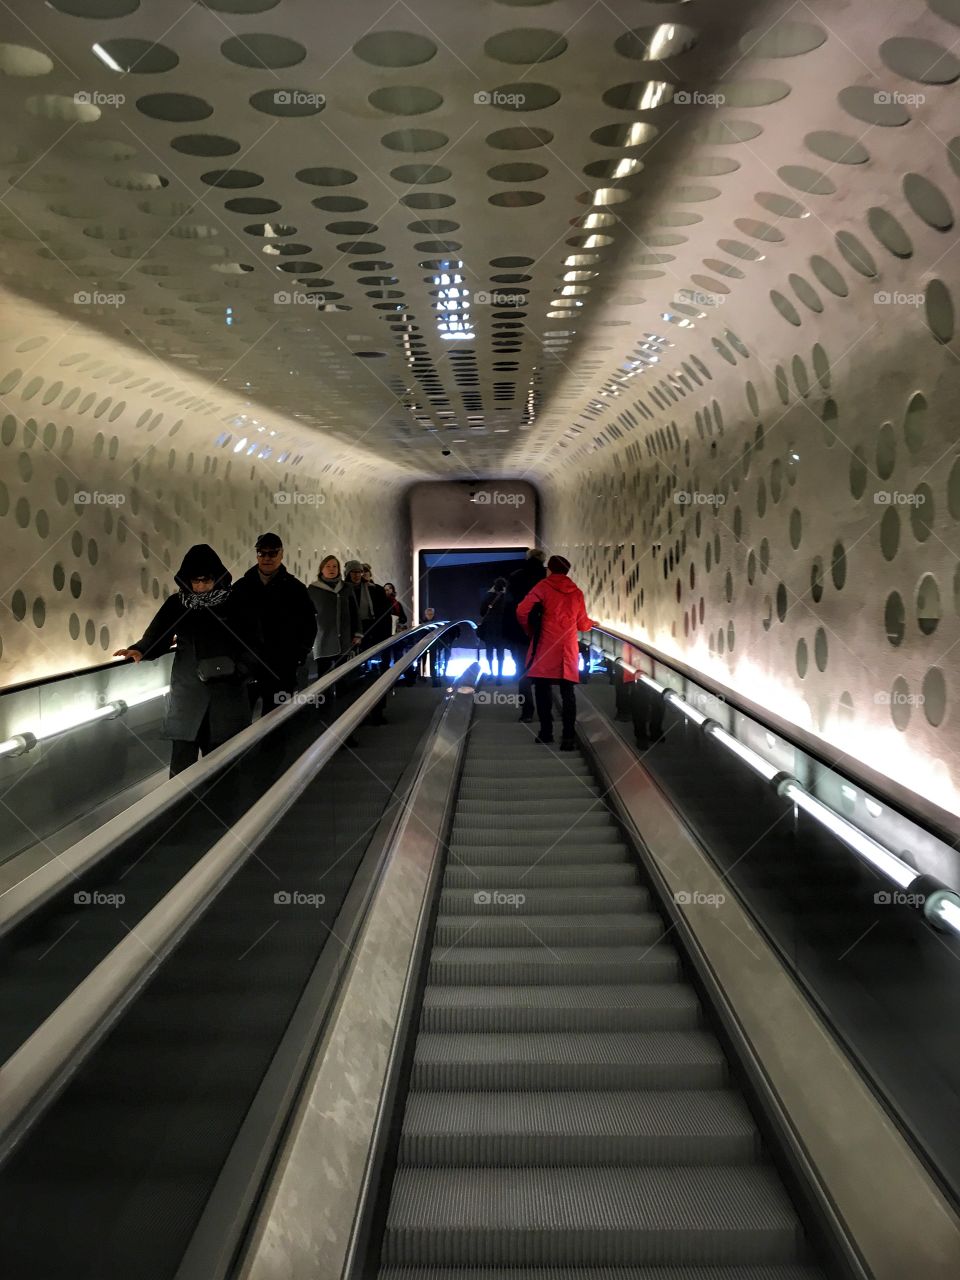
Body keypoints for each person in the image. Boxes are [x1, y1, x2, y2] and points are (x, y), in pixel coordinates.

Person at [114, 544, 259, 776]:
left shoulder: (236, 602)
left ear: (217, 578)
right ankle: (180, 811)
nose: (200, 587)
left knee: (225, 767)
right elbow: (158, 634)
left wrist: (241, 671)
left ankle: (225, 810)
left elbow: (253, 643)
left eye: (206, 580)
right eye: (195, 581)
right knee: (182, 766)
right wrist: (140, 649)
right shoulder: (177, 604)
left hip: (226, 693)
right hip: (188, 692)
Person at [516, 554, 596, 751]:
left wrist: (530, 630)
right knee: (568, 693)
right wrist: (593, 624)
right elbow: (583, 624)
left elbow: (521, 610)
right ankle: (568, 737)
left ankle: (546, 733)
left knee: (542, 691)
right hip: (567, 648)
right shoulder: (576, 592)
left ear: (549, 569)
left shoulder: (543, 587)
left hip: (545, 645)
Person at [231, 531, 317, 714]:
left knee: (276, 721)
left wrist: (298, 655)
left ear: (281, 554)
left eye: (272, 553)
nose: (267, 558)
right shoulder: (240, 588)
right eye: (262, 553)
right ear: (257, 555)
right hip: (246, 667)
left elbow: (309, 625)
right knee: (239, 722)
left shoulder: (295, 589)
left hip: (282, 667)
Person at [344, 559, 393, 723]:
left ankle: (376, 712)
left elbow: (385, 617)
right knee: (357, 678)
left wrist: (385, 641)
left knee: (376, 676)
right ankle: (359, 715)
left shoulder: (376, 591)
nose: (358, 575)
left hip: (375, 639)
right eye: (354, 572)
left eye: (360, 572)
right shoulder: (343, 591)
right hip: (352, 640)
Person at [504, 548, 547, 721]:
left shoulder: (515, 577)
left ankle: (527, 711)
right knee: (543, 671)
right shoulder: (547, 578)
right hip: (544, 631)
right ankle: (545, 712)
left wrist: (507, 633)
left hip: (519, 631)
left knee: (522, 670)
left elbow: (509, 607)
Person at [308, 554, 362, 677]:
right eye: (328, 566)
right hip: (323, 639)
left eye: (335, 566)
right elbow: (306, 616)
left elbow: (355, 612)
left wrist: (357, 634)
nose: (331, 569)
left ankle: (343, 696)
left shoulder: (346, 588)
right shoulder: (313, 589)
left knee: (342, 676)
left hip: (344, 638)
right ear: (322, 569)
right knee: (323, 676)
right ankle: (324, 696)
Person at [477, 576, 509, 683]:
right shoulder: (506, 598)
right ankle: (499, 677)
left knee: (489, 651)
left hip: (489, 628)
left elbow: (482, 612)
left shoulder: (487, 596)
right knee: (500, 653)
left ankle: (491, 673)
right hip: (501, 628)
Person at [422, 606, 459, 686]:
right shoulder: (424, 623)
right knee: (432, 659)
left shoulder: (437, 623)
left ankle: (436, 676)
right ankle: (433, 676)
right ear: (425, 615)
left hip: (435, 644)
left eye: (431, 614)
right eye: (428, 614)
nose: (429, 616)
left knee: (434, 659)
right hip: (428, 644)